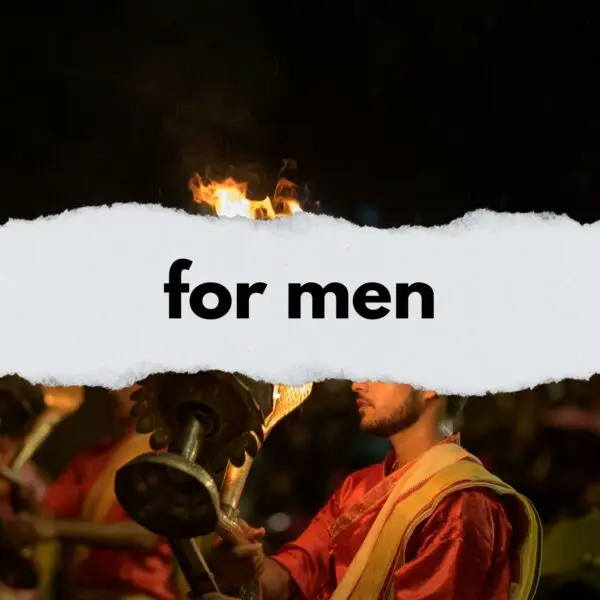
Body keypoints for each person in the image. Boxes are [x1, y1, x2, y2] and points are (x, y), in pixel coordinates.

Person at [201, 382, 542, 600]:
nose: (357, 384)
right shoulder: (361, 485)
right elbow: (297, 573)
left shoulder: (460, 502)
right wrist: (251, 568)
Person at [3, 386, 175, 600]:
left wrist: (53, 529)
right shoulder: (92, 458)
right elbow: (46, 517)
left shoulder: (165, 458)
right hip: (83, 593)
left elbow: (147, 535)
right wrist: (24, 500)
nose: (111, 391)